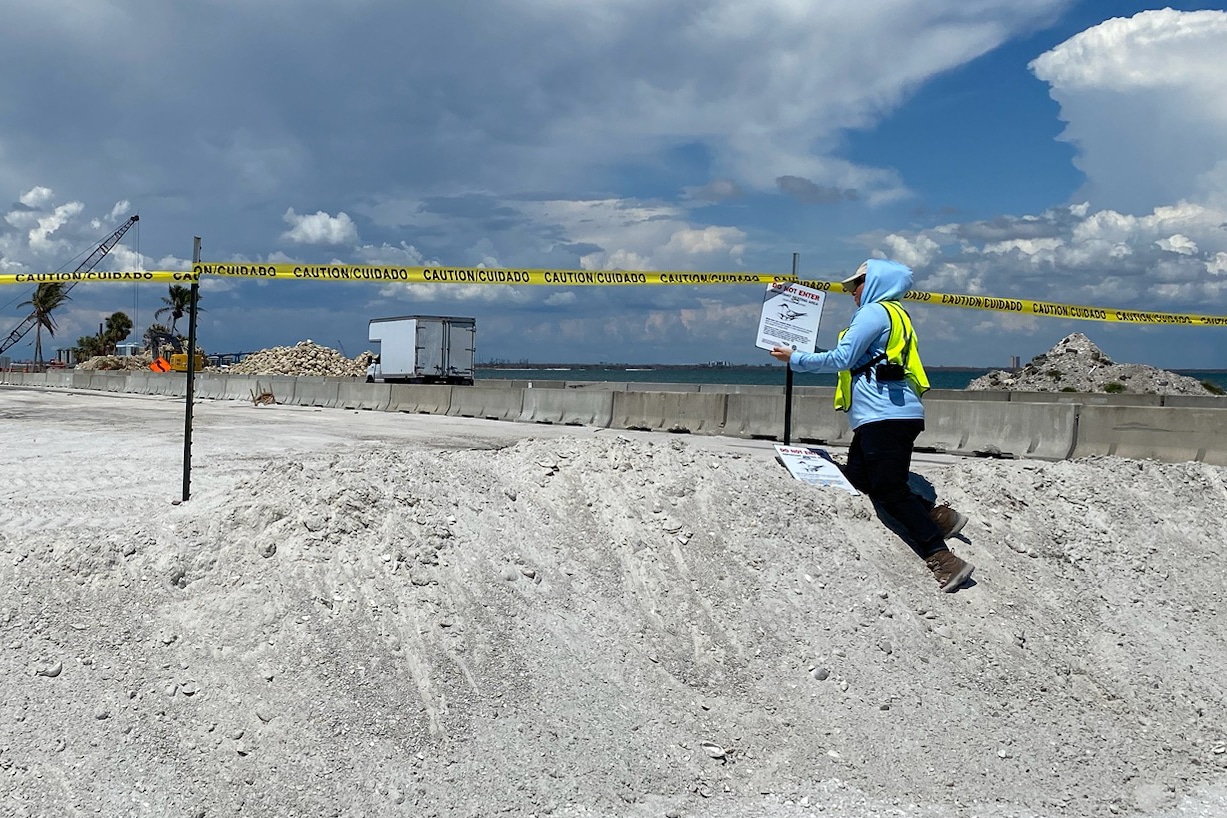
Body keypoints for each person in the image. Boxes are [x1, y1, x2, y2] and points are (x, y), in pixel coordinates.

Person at [769, 259, 975, 592]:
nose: (852, 292)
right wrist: (802, 353)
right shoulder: (895, 313)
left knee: (889, 491)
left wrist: (795, 360)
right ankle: (940, 518)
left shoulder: (872, 313)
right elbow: (854, 357)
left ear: (875, 281)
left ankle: (943, 558)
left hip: (885, 418)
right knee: (862, 478)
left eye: (857, 284)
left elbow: (842, 360)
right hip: (886, 416)